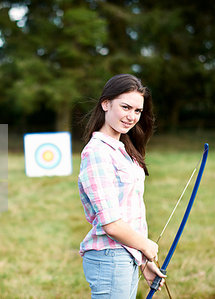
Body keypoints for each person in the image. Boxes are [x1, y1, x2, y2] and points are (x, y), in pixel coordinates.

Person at [78, 74, 166, 298]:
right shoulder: (97, 152)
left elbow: (129, 212)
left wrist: (144, 262)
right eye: (125, 107)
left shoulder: (122, 149)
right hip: (110, 258)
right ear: (105, 104)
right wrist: (146, 246)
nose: (131, 117)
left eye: (137, 111)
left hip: (124, 255)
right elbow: (111, 224)